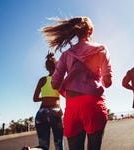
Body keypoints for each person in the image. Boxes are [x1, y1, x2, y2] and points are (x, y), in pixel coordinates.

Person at [40, 16, 112, 150]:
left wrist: (69, 81)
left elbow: (55, 84)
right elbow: (108, 82)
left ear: (75, 33)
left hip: (72, 106)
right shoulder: (101, 48)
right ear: (91, 31)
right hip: (93, 104)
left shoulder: (66, 54)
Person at [33, 53, 64, 150]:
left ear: (46, 67)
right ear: (57, 66)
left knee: (43, 146)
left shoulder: (42, 80)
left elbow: (35, 98)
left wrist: (45, 98)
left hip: (41, 113)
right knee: (59, 143)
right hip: (55, 112)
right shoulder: (59, 80)